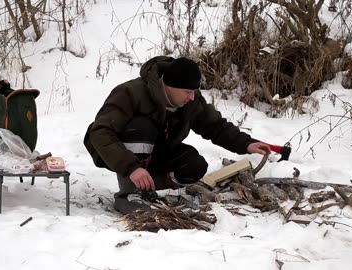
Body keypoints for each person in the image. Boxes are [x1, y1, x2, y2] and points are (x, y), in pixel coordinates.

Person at [84, 56, 290, 214]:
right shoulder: (131, 92)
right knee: (141, 127)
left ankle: (148, 189)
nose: (192, 97)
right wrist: (132, 168)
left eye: (194, 91)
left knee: (195, 166)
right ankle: (129, 194)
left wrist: (247, 144)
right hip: (120, 154)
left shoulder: (191, 100)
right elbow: (101, 132)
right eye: (187, 92)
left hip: (158, 152)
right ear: (169, 86)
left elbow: (216, 127)